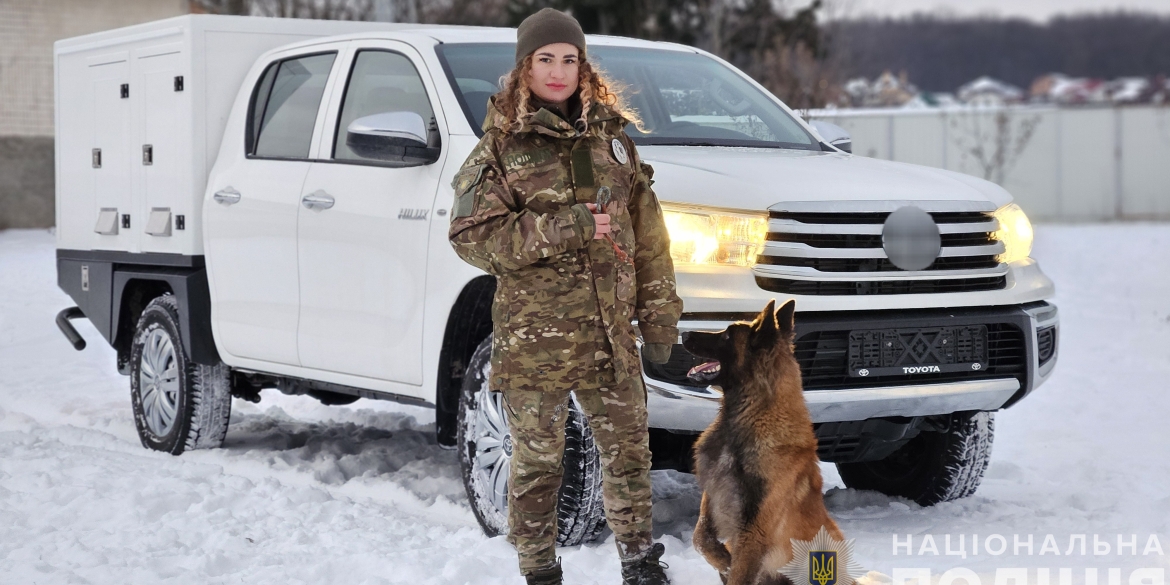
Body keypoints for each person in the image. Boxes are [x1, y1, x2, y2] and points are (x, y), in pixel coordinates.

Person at [447, 8, 682, 585]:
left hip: (609, 333)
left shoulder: (615, 143)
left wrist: (659, 321)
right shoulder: (501, 150)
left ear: (584, 67)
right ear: (524, 69)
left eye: (569, 60)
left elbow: (650, 240)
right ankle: (538, 570)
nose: (558, 72)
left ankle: (638, 561)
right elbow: (471, 238)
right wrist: (565, 226)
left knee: (629, 452)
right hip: (537, 341)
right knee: (539, 462)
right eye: (545, 60)